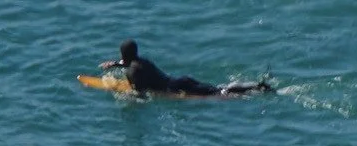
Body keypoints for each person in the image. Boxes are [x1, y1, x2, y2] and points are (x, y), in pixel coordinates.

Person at [99, 40, 264, 97]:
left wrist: (126, 97)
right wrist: (114, 64)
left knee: (220, 93)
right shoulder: (141, 61)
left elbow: (140, 94)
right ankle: (255, 86)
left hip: (175, 88)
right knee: (217, 88)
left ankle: (255, 88)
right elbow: (129, 63)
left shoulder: (132, 71)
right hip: (179, 80)